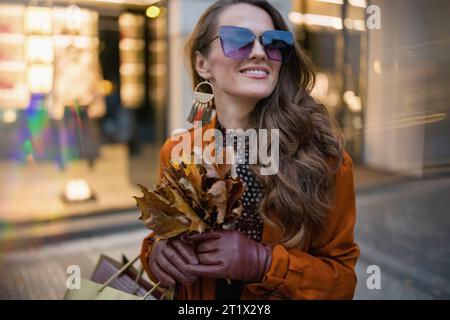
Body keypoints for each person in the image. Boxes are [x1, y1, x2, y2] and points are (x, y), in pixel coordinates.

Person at [140, 0, 360, 300]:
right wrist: (157, 255)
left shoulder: (324, 158)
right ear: (202, 63)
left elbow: (342, 282)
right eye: (237, 40)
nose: (259, 52)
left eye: (274, 43)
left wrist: (264, 263)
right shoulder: (179, 151)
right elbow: (163, 235)